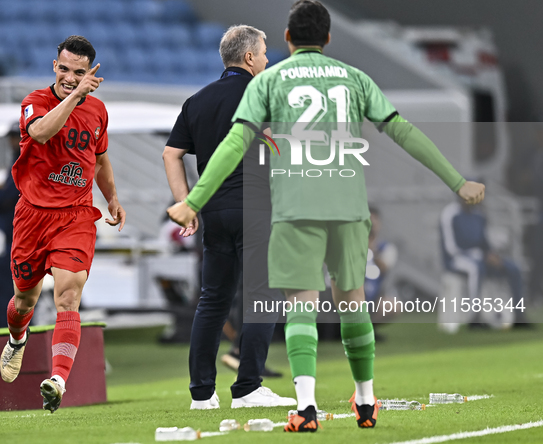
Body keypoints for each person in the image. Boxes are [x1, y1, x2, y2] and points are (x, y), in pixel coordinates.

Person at [167, 0, 485, 432]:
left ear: (287, 39)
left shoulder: (265, 82)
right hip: (337, 205)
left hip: (281, 210)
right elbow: (403, 131)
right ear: (329, 38)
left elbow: (225, 147)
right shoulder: (353, 77)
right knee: (346, 303)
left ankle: (288, 403)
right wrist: (456, 180)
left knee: (267, 303)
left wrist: (192, 201)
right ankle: (361, 399)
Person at [163, 25, 294, 409]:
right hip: (256, 208)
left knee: (213, 301)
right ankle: (249, 388)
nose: (268, 59)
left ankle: (202, 394)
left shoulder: (197, 100)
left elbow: (171, 154)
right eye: (265, 52)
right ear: (250, 57)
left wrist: (186, 205)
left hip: (214, 213)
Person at [0, 35, 126, 414]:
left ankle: (57, 380)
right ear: (55, 66)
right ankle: (17, 339)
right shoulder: (34, 102)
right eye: (66, 69)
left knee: (69, 296)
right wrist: (74, 96)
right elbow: (41, 133)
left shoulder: (99, 111)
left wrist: (113, 197)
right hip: (33, 216)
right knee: (24, 300)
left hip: (75, 215)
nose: (71, 77)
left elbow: (100, 159)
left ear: (91, 72)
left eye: (80, 72)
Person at [440, 195, 528, 325]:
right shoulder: (450, 214)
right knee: (476, 269)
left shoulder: (479, 215)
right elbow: (451, 248)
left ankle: (519, 317)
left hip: (481, 257)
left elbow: (485, 243)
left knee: (513, 268)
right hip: (457, 260)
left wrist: (492, 255)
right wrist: (480, 256)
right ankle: (475, 317)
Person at [0, 122, 21, 328]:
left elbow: (11, 193)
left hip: (15, 236)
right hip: (12, 235)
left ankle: (8, 330)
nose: (11, 141)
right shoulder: (18, 159)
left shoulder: (25, 160)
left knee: (7, 287)